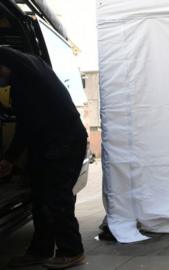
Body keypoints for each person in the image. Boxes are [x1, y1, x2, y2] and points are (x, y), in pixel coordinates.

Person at [0, 47, 88, 269]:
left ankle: (72, 251)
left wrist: (9, 158)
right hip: (48, 141)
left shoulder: (26, 78)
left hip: (64, 140)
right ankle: (40, 250)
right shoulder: (28, 68)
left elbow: (25, 127)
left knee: (57, 196)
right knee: (40, 196)